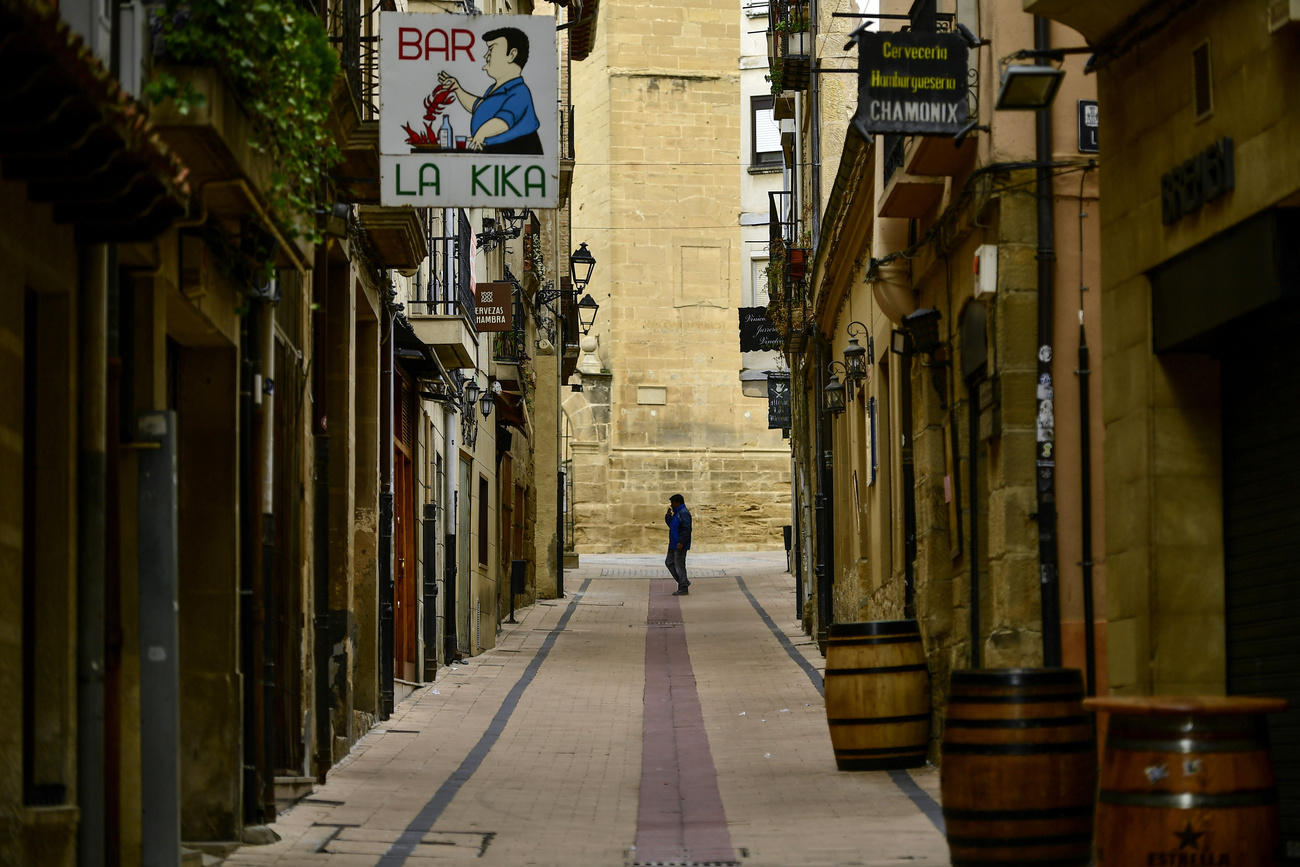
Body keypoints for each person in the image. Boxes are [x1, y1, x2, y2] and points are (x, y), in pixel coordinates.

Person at [437, 27, 542, 154]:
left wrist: (481, 134)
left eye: (491, 49)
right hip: (496, 153)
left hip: (517, 151)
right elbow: (479, 107)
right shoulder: (495, 89)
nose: (486, 56)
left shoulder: (520, 91)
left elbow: (503, 122)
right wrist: (457, 89)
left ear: (511, 55)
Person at [664, 494, 692, 596]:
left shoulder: (683, 513)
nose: (671, 505)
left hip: (679, 544)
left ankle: (683, 587)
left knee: (679, 565)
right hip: (673, 543)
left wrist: (682, 542)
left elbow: (686, 529)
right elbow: (672, 526)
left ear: (677, 502)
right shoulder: (677, 513)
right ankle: (683, 582)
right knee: (669, 562)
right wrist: (668, 516)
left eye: (672, 503)